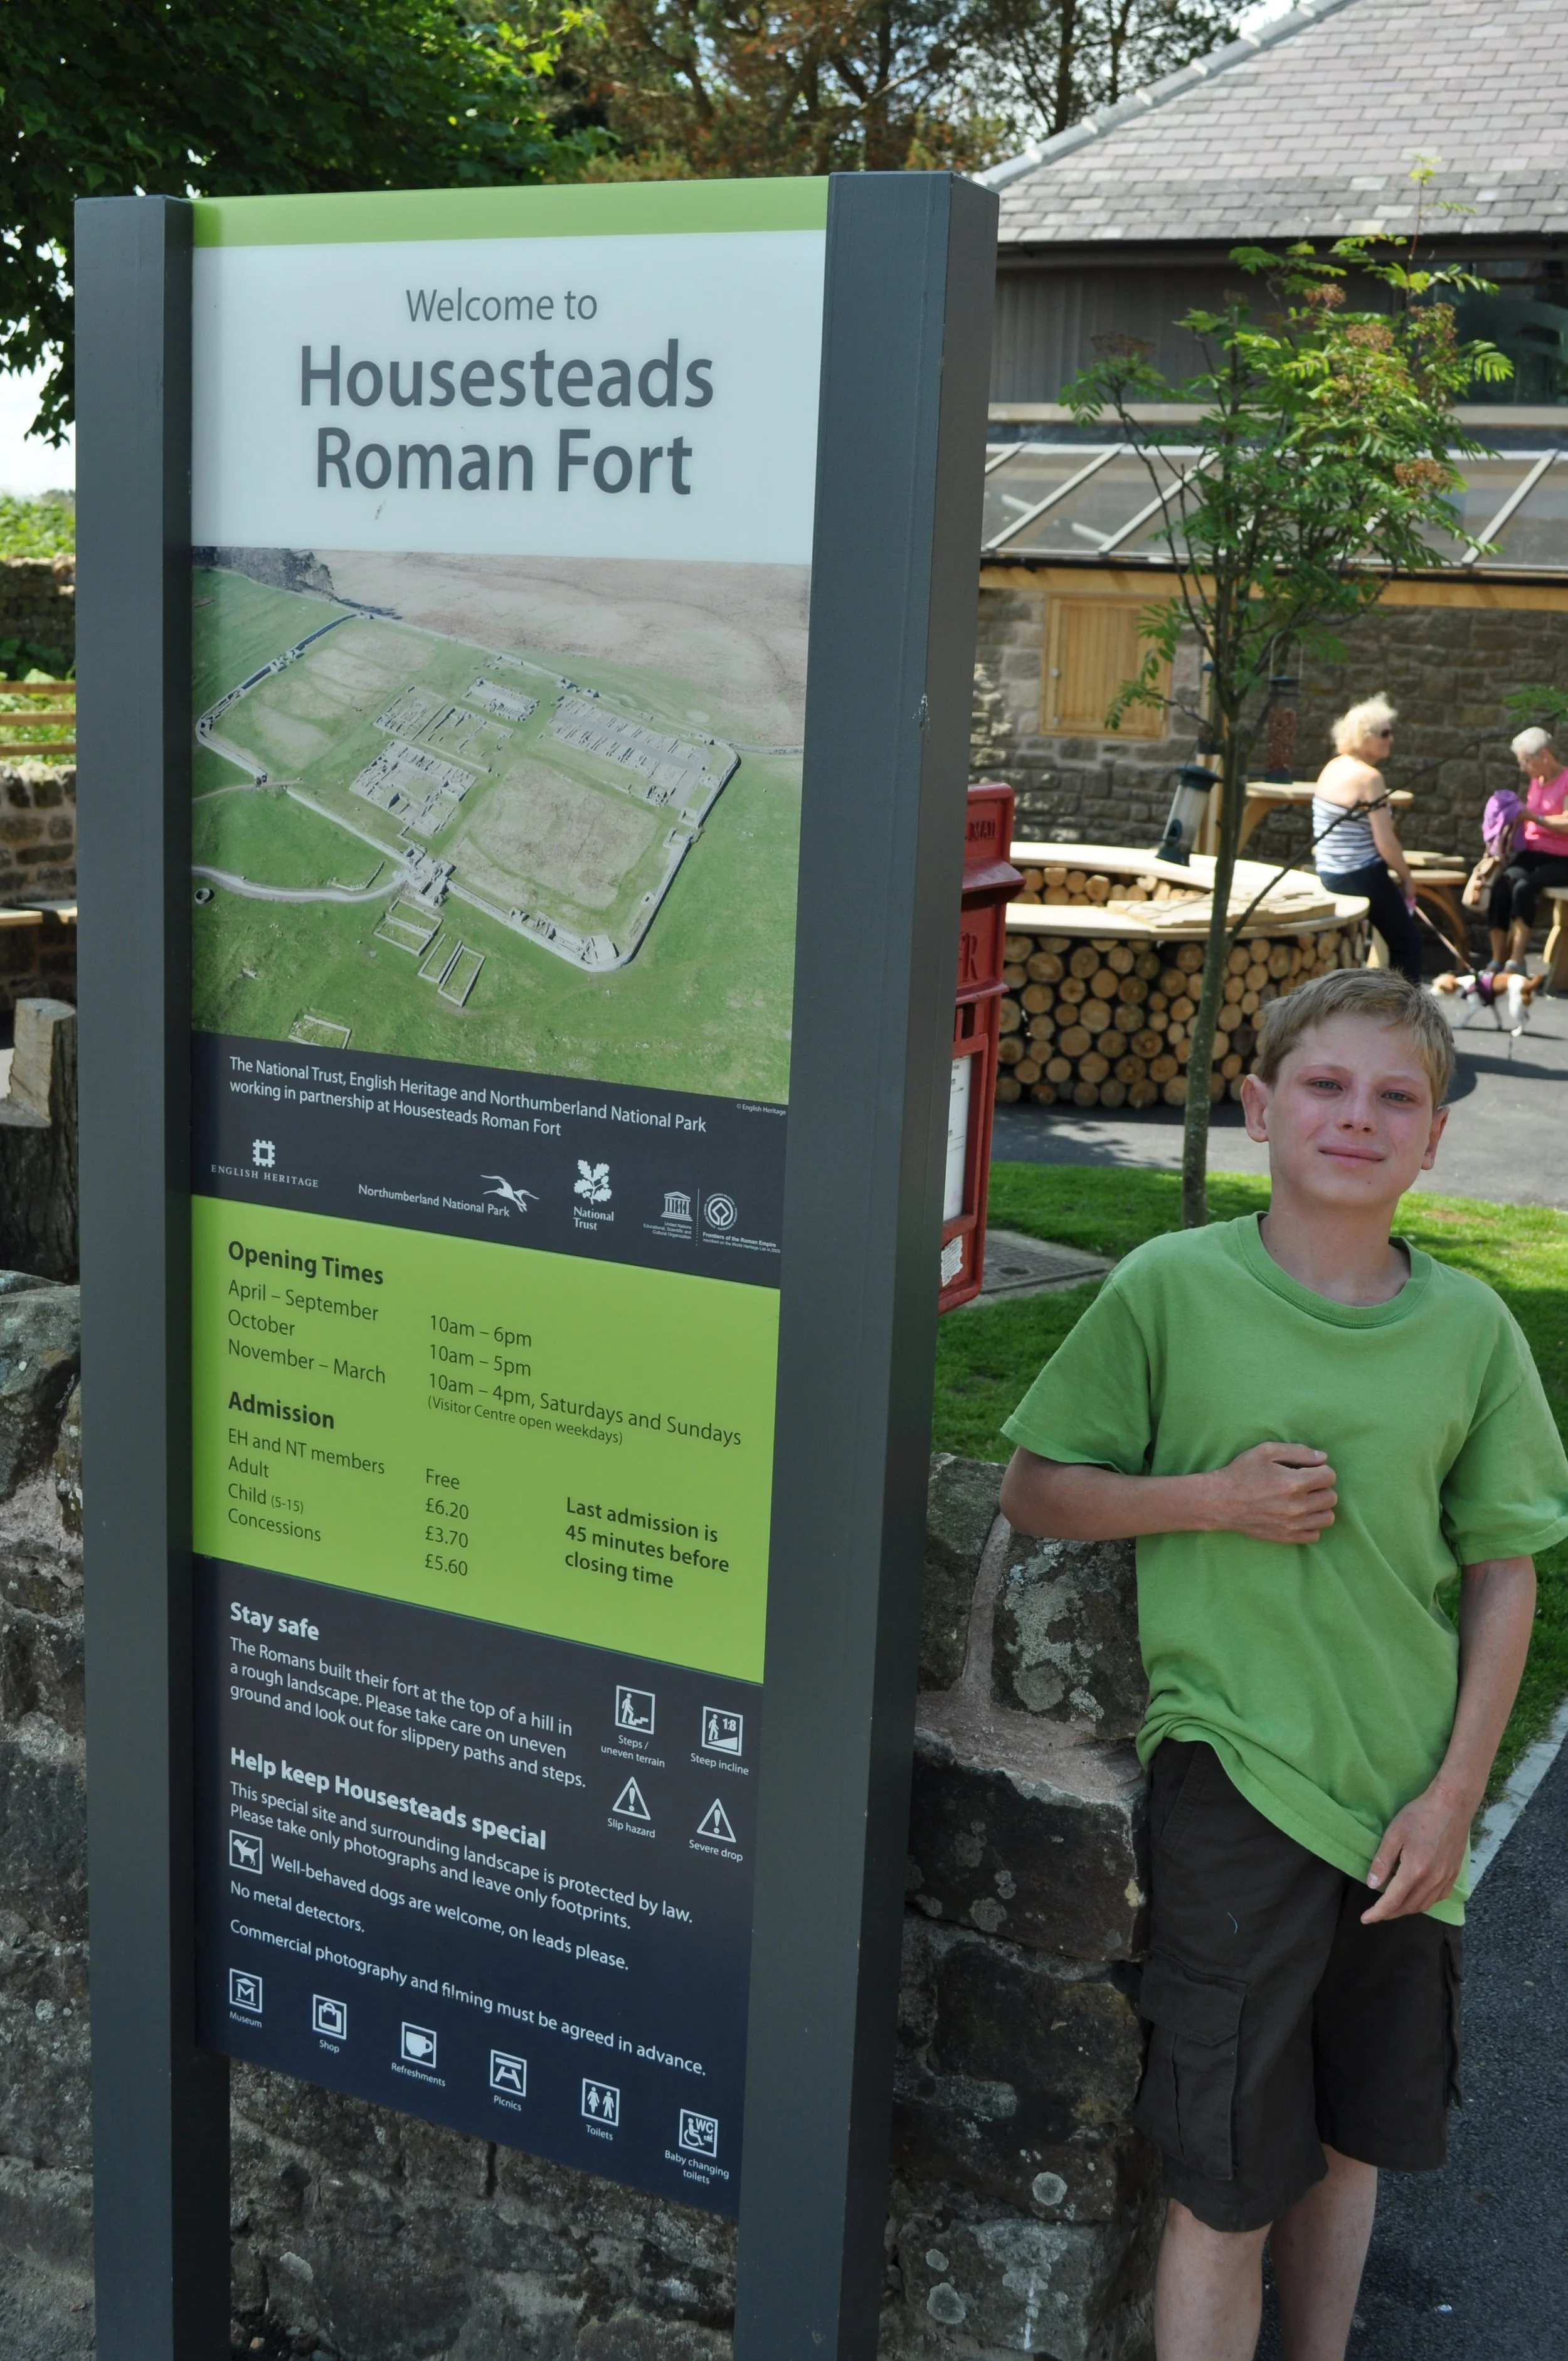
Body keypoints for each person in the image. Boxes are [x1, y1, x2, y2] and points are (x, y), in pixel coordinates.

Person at [997, 968, 1568, 2361]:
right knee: (1228, 2177)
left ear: (1433, 1139)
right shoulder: (1169, 1287)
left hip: (1403, 1803)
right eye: (1323, 1085)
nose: (1355, 1117)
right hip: (1238, 1784)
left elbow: (1503, 1570)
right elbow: (1034, 1486)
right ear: (1257, 1107)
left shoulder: (1472, 1328)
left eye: (1395, 1097)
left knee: (1351, 2141)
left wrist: (1451, 1793)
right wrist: (1208, 1500)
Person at [1311, 694, 1424, 985]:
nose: (1391, 739)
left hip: (1330, 871)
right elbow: (1386, 843)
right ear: (1364, 737)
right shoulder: (1369, 777)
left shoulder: (1333, 766)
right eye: (1385, 733)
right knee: (1408, 943)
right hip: (1359, 873)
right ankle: (1406, 1018)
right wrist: (1408, 879)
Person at [1486, 726, 1568, 975]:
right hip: (1533, 853)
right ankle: (1497, 960)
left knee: (1525, 888)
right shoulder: (1536, 782)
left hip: (1562, 858)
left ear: (1544, 754)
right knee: (1501, 887)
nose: (1523, 768)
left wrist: (1533, 816)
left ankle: (1517, 961)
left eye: (1526, 761)